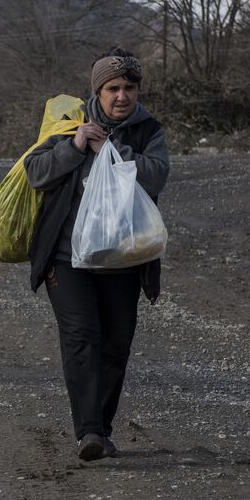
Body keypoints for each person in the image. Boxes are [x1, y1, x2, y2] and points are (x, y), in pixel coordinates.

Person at [24, 48, 170, 461]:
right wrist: (74, 146)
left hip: (124, 257)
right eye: (113, 88)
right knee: (81, 338)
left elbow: (159, 174)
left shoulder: (148, 131)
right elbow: (35, 173)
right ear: (97, 91)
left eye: (129, 88)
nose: (122, 96)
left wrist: (115, 153)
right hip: (67, 258)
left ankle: (101, 430)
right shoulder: (68, 124)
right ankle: (88, 431)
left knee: (115, 345)